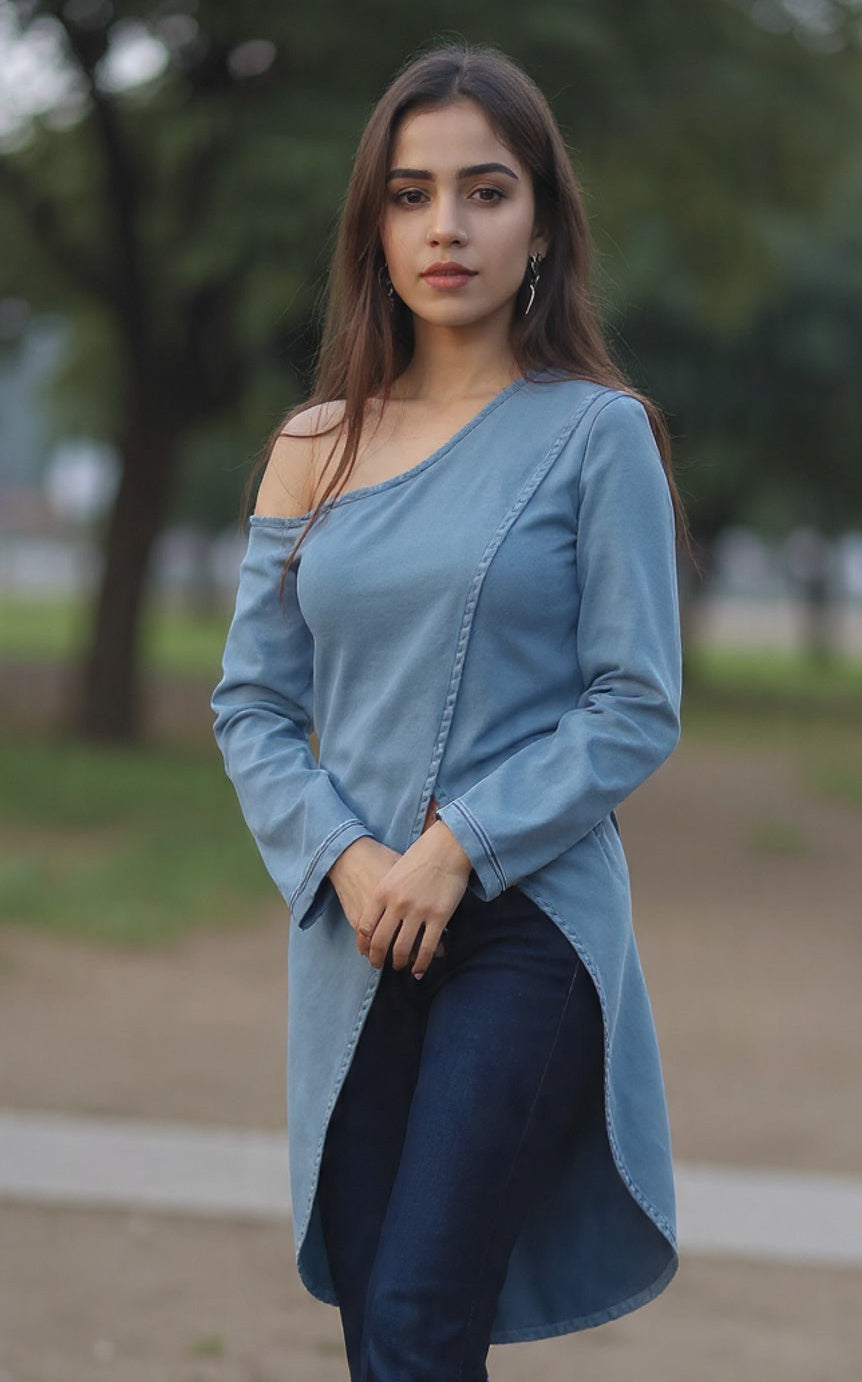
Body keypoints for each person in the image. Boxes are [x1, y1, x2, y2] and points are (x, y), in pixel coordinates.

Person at [212, 41, 683, 1382]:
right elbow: (251, 704)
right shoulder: (314, 446)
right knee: (379, 1323)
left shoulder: (597, 433)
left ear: (541, 222)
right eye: (411, 194)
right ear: (374, 225)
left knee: (420, 1316)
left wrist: (458, 844)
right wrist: (350, 859)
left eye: (486, 191)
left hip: (528, 921)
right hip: (356, 926)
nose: (447, 227)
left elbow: (634, 702)